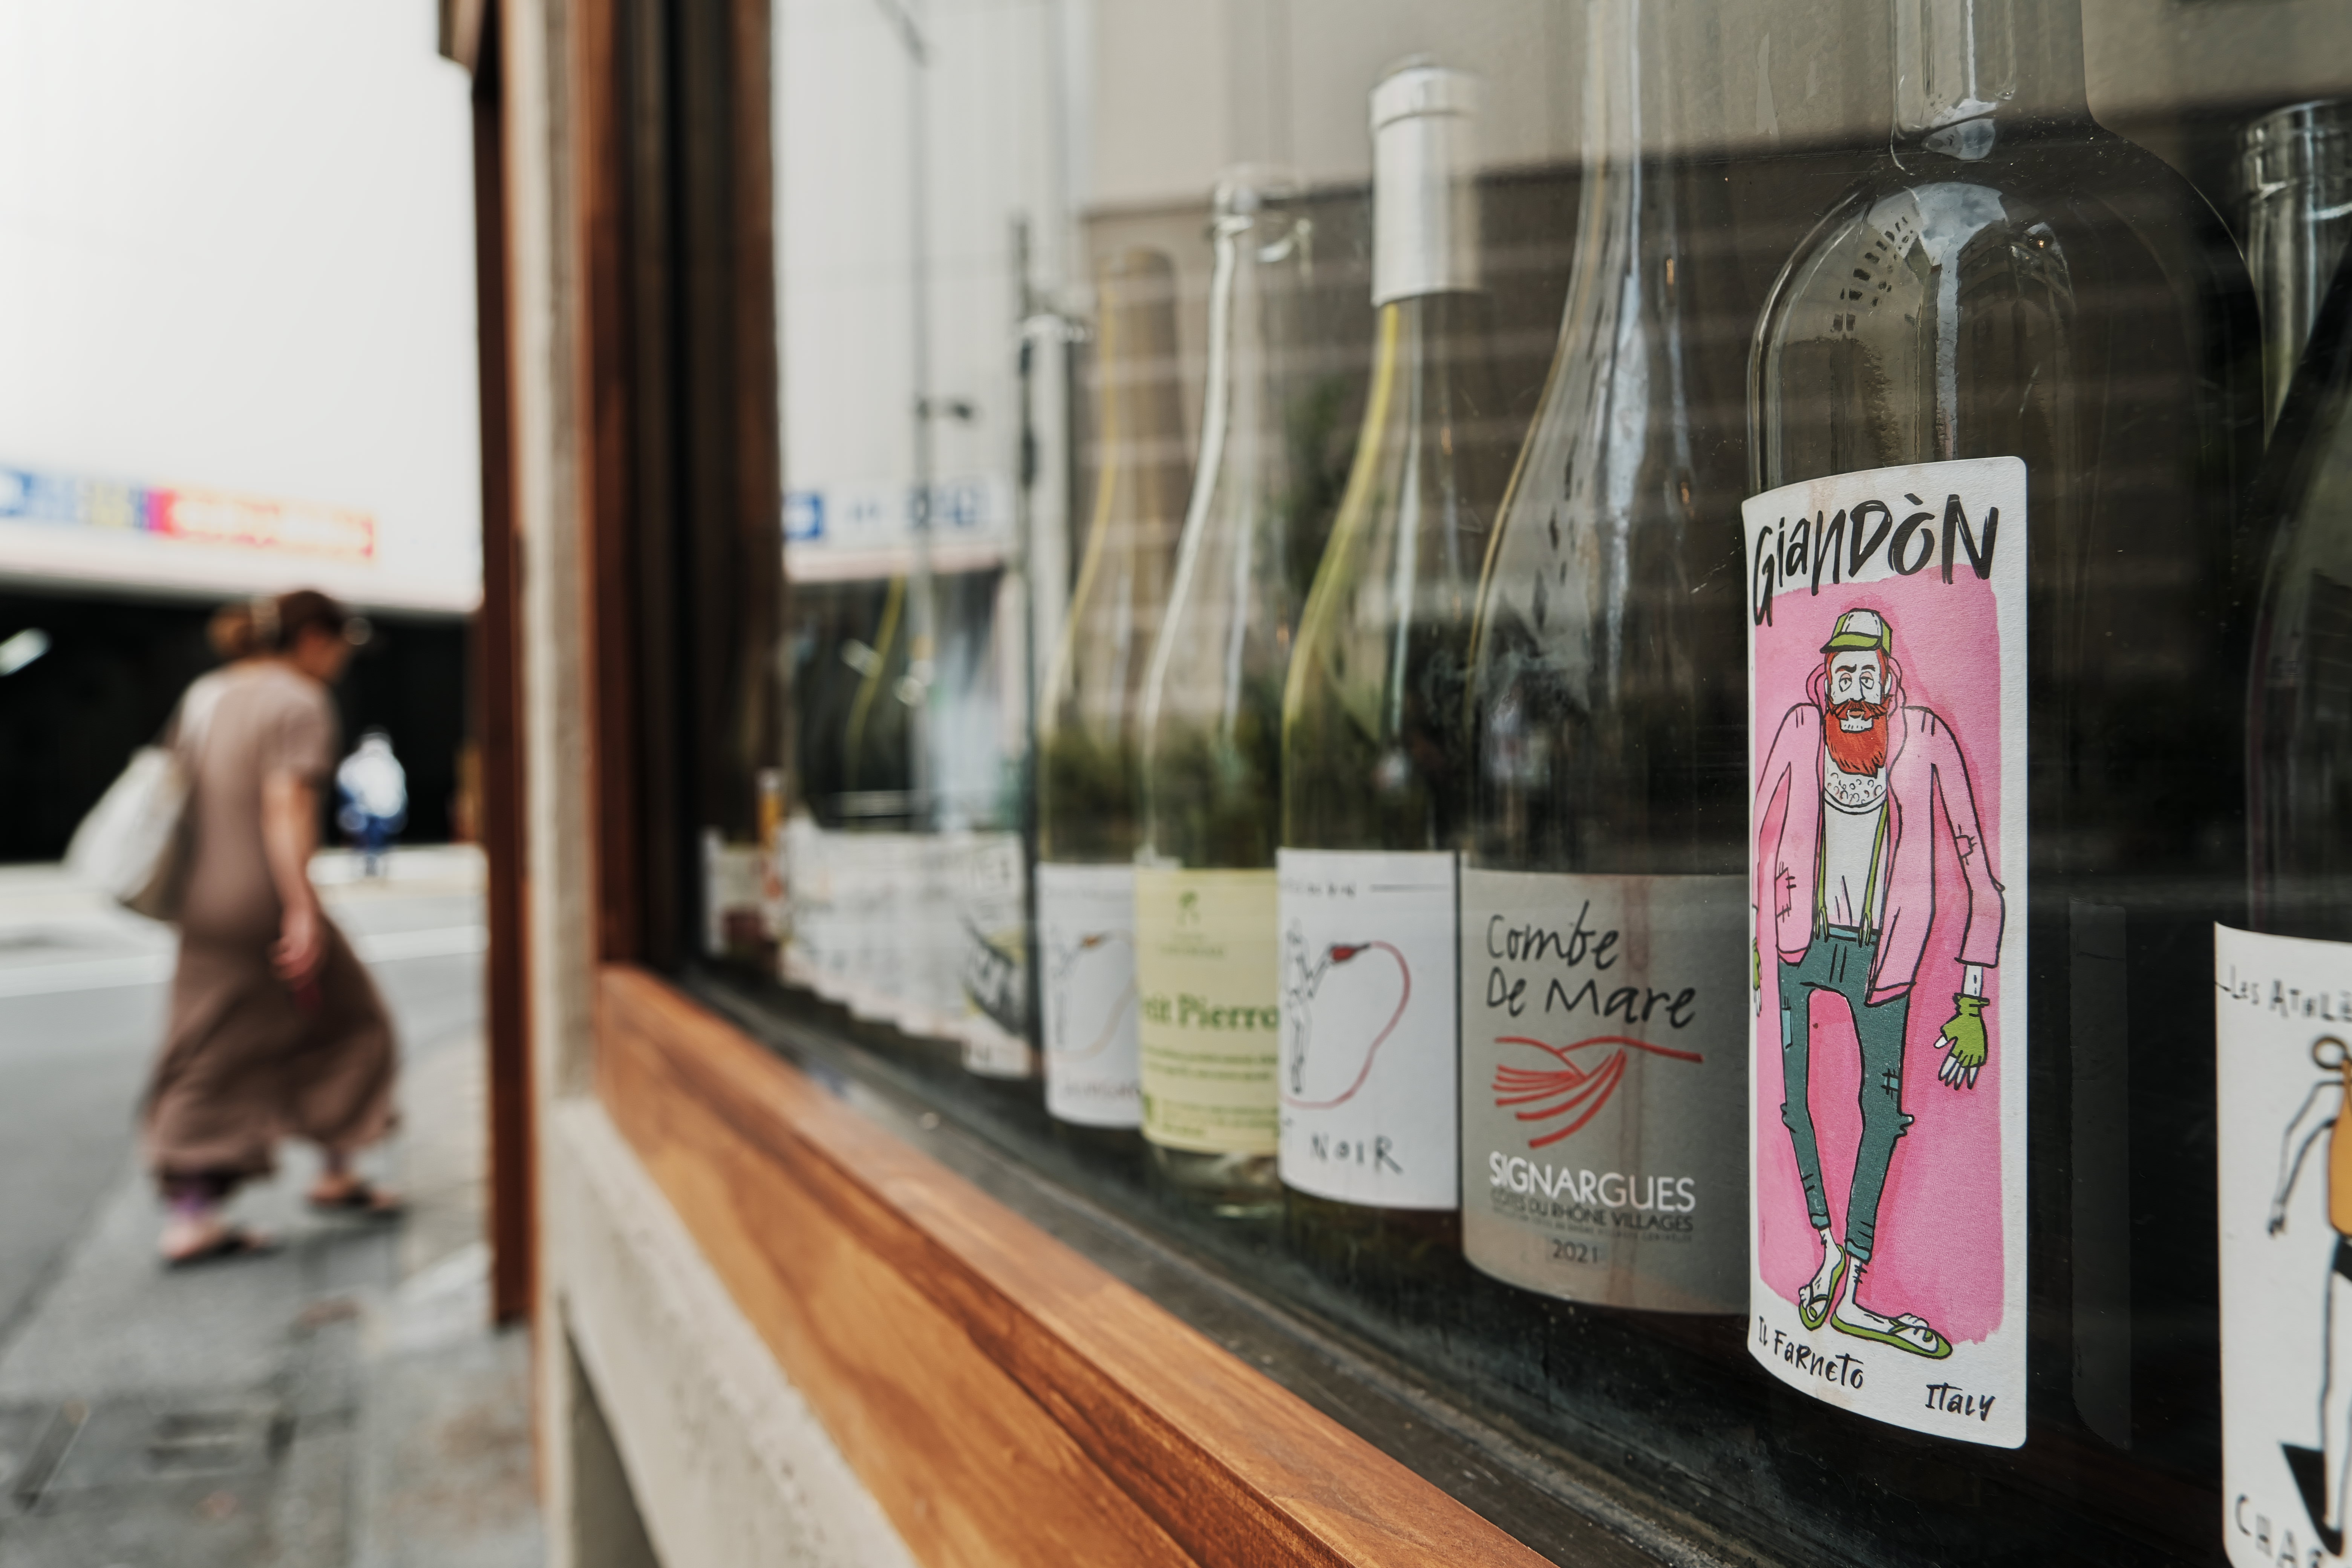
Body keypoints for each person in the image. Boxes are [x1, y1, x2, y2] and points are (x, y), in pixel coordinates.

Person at [1750, 606, 2006, 1357]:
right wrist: (1758, 948)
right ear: (1825, 682)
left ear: (1889, 682)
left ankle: (1855, 1278)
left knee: (1882, 1114)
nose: (1854, 691)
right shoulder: (1801, 731)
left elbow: (1980, 875)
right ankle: (1828, 1249)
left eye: (1867, 675)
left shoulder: (1926, 742)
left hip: (1883, 957)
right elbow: (1761, 837)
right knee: (1796, 1105)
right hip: (1800, 945)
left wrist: (1971, 1000)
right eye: (1843, 675)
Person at [142, 589, 400, 1265]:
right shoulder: (298, 701)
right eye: (342, 644)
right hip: (263, 899)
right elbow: (286, 805)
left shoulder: (208, 694)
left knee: (214, 1038)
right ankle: (222, 1209)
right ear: (314, 638)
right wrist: (301, 907)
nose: (343, 659)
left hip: (203, 899)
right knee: (355, 1024)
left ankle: (215, 1201)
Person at [336, 729, 409, 877]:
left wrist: (400, 807)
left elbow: (399, 788)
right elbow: (345, 784)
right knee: (361, 839)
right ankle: (365, 864)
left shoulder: (391, 764)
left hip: (386, 810)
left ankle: (378, 863)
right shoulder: (354, 763)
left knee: (382, 839)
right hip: (362, 810)